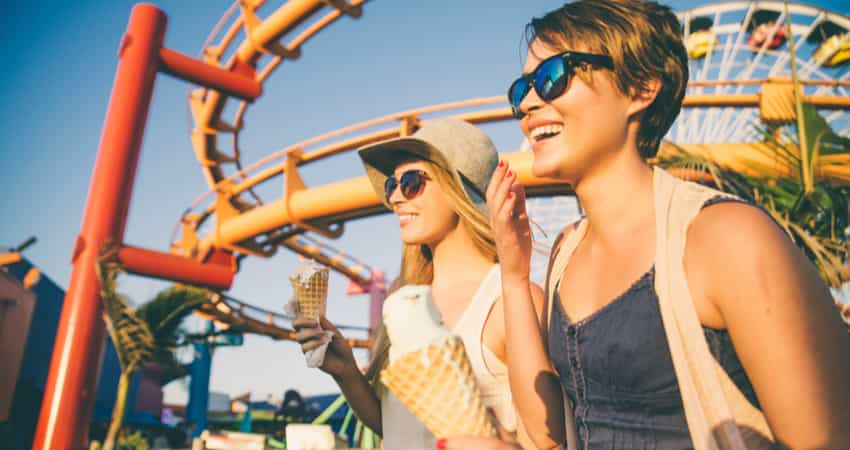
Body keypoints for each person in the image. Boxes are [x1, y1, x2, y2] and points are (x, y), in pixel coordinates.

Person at [481, 1, 850, 449]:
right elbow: (546, 437)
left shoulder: (725, 237)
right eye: (522, 89)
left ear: (640, 87)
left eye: (552, 77)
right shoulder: (564, 252)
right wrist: (515, 276)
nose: (529, 103)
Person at [293, 118, 537, 449]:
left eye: (410, 182)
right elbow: (399, 429)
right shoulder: (405, 300)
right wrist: (346, 372)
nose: (394, 198)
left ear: (457, 188)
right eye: (392, 185)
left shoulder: (510, 297)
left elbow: (547, 438)